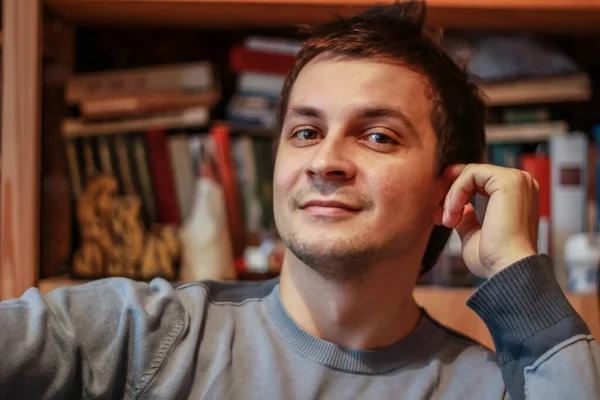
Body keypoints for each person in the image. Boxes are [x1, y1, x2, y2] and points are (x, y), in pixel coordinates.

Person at [1, 1, 599, 399]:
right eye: (306, 132)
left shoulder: (491, 387)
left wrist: (520, 273)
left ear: (450, 188)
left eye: (377, 136)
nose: (325, 161)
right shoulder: (143, 336)